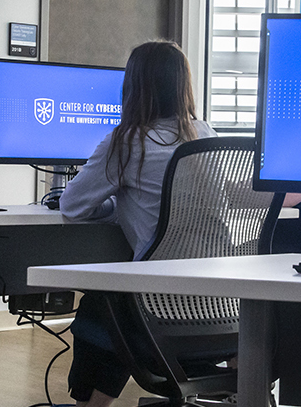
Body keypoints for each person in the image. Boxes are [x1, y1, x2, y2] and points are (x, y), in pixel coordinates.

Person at [58, 41, 217, 407]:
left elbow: (73, 205)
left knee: (102, 305)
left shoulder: (128, 141)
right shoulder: (205, 134)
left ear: (133, 87)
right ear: (183, 86)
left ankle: (91, 404)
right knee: (117, 301)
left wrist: (115, 205)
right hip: (218, 305)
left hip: (161, 307)